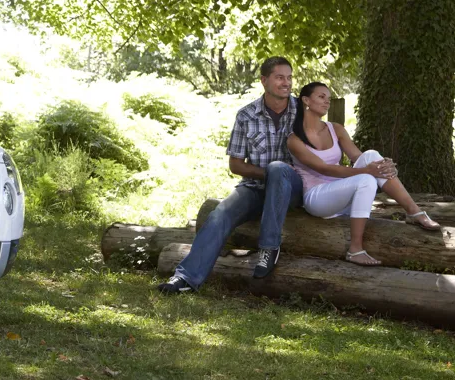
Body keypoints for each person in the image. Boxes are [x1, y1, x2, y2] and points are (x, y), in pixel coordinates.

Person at [157, 57, 302, 294]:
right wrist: (270, 175)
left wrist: (279, 176)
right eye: (279, 77)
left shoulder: (302, 112)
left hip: (294, 188)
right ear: (264, 81)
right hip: (255, 188)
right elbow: (236, 165)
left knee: (279, 169)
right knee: (220, 214)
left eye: (289, 77)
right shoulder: (246, 116)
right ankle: (185, 279)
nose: (286, 83)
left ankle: (269, 248)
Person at [286, 82, 440, 266]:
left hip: (343, 195)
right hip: (318, 199)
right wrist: (368, 171)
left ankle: (413, 212)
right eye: (321, 97)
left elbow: (358, 157)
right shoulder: (294, 139)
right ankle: (355, 249)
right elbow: (324, 169)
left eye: (328, 98)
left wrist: (384, 167)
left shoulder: (335, 129)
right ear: (306, 100)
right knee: (366, 178)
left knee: (371, 155)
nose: (327, 102)